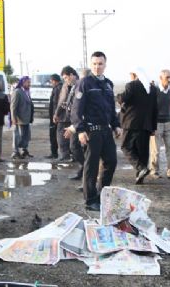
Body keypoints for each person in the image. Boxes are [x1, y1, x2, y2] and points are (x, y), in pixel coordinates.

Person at [69, 51, 122, 211]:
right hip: (91, 131)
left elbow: (111, 108)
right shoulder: (84, 83)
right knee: (91, 167)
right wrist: (80, 130)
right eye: (94, 64)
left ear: (105, 65)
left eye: (100, 64)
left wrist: (116, 124)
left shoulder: (108, 84)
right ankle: (90, 200)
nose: (97, 67)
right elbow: (76, 109)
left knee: (111, 162)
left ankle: (101, 195)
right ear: (91, 65)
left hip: (106, 131)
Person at [118, 70, 157, 185]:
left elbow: (122, 99)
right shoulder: (153, 89)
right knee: (142, 151)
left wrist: (117, 96)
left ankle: (141, 168)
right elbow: (155, 109)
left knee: (126, 147)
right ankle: (139, 177)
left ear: (135, 75)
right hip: (146, 125)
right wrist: (153, 127)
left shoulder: (132, 85)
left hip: (131, 123)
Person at [149, 69, 170, 178]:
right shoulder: (154, 89)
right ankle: (154, 171)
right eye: (167, 77)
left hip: (168, 122)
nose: (169, 79)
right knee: (155, 150)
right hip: (156, 124)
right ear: (161, 78)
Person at [58, 66, 81, 178]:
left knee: (75, 146)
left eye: (66, 77)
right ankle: (84, 170)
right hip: (73, 121)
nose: (65, 80)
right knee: (75, 146)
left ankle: (86, 170)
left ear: (72, 75)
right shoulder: (72, 87)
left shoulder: (80, 86)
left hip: (80, 122)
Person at [10, 76, 34, 159]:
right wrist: (13, 118)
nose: (29, 84)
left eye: (29, 82)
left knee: (26, 136)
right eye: (28, 82)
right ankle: (15, 152)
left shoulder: (27, 92)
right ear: (23, 83)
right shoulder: (17, 92)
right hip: (19, 119)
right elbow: (13, 106)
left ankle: (24, 151)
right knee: (17, 136)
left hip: (26, 119)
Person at [45, 74, 62, 160]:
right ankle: (55, 153)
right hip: (55, 116)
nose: (51, 83)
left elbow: (57, 104)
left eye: (51, 81)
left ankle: (54, 153)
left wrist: (56, 115)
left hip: (56, 117)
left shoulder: (58, 89)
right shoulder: (57, 88)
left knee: (54, 136)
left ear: (54, 81)